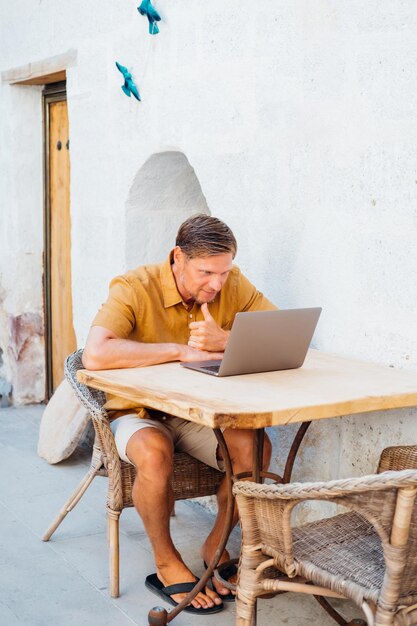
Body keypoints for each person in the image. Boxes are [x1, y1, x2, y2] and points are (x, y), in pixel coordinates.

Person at [83, 214, 277, 614]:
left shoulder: (231, 281)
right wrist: (179, 349)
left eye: (224, 273)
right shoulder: (134, 287)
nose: (218, 284)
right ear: (178, 258)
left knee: (255, 448)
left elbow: (277, 331)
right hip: (137, 412)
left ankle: (217, 542)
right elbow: (96, 353)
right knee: (154, 453)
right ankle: (166, 560)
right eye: (207, 272)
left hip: (195, 414)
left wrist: (227, 338)